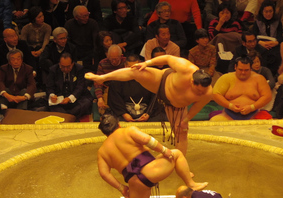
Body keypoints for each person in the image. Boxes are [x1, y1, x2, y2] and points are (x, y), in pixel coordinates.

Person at [97, 114, 208, 198]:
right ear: (119, 124)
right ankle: (191, 183)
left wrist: (122, 188)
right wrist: (164, 150)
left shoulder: (102, 151)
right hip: (151, 170)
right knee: (177, 154)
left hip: (134, 182)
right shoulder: (128, 130)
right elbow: (146, 139)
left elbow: (104, 173)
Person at [86, 55, 214, 155]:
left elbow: (197, 106)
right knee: (136, 71)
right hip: (161, 82)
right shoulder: (186, 68)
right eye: (197, 90)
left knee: (181, 132)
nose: (199, 93)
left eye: (202, 92)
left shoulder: (207, 93)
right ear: (192, 81)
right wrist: (147, 63)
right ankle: (102, 77)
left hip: (175, 106)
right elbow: (168, 58)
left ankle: (180, 164)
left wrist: (186, 119)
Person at [211, 56, 272, 121]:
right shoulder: (226, 78)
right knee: (214, 121)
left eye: (246, 70)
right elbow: (216, 94)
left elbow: (267, 96)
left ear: (251, 68)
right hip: (229, 114)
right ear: (235, 67)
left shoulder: (259, 79)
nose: (243, 72)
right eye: (240, 69)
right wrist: (230, 106)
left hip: (254, 114)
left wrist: (252, 107)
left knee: (269, 124)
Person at [107, 54, 165, 122]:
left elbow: (155, 98)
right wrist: (124, 114)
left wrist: (148, 113)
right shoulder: (117, 80)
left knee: (163, 118)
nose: (133, 70)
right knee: (111, 120)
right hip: (123, 114)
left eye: (136, 67)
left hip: (148, 113)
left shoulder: (149, 79)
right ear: (125, 66)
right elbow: (115, 100)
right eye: (130, 67)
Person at [45, 52, 93, 120]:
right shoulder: (53, 70)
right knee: (52, 106)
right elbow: (49, 87)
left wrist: (70, 98)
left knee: (86, 102)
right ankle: (70, 116)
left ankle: (67, 115)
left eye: (68, 67)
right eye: (63, 67)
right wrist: (52, 95)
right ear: (59, 64)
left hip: (76, 98)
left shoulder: (79, 69)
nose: (65, 69)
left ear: (72, 64)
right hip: (59, 100)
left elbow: (80, 86)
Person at [64, 5, 99, 72]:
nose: (87, 18)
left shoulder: (93, 23)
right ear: (76, 17)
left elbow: (96, 42)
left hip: (89, 51)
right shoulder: (69, 24)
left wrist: (94, 56)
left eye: (87, 15)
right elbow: (68, 42)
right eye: (84, 16)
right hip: (74, 51)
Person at [93, 44, 126, 114]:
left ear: (121, 56)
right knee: (103, 110)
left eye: (116, 59)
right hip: (108, 89)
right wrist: (100, 98)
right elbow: (98, 82)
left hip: (124, 89)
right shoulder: (102, 63)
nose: (113, 61)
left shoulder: (126, 62)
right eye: (111, 59)